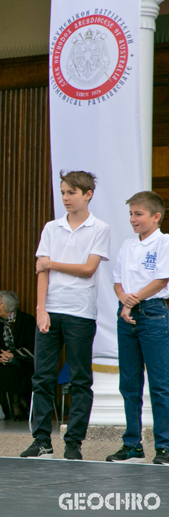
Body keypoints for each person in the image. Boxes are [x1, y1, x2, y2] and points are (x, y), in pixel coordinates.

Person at [21, 170, 110, 461]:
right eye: (62, 192)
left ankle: (73, 442)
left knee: (80, 380)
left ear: (88, 194)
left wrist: (51, 262)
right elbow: (41, 271)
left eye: (71, 192)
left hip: (81, 312)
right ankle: (42, 441)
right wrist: (40, 309)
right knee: (41, 377)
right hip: (51, 310)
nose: (65, 198)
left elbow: (88, 269)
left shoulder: (100, 228)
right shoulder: (51, 228)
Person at [105, 191, 169, 465]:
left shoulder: (164, 242)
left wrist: (134, 299)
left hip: (152, 314)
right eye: (130, 214)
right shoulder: (127, 246)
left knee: (160, 384)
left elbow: (161, 280)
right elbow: (117, 280)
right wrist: (124, 300)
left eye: (138, 214)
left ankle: (164, 446)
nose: (133, 219)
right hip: (127, 314)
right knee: (129, 384)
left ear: (156, 217)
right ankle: (132, 444)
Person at [0, 291, 35, 421]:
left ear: (8, 305)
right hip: (6, 361)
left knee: (17, 371)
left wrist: (13, 354)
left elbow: (32, 346)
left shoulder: (27, 320)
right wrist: (2, 356)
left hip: (26, 360)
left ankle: (19, 403)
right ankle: (17, 403)